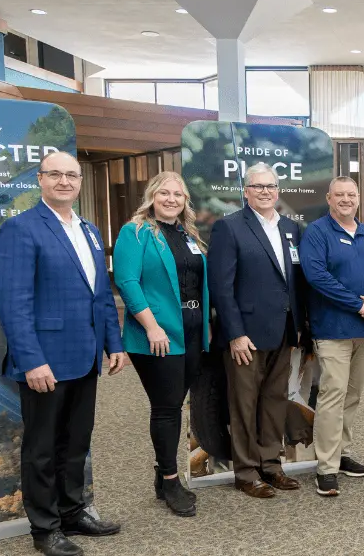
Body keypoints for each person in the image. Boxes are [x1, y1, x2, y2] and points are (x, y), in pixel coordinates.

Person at [0, 151, 128, 556]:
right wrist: (31, 359)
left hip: (85, 356)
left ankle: (73, 511)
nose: (65, 181)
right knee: (41, 449)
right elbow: (13, 303)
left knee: (76, 443)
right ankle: (45, 529)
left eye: (72, 175)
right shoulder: (21, 229)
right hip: (46, 361)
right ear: (40, 179)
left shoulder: (88, 229)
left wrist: (114, 344)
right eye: (56, 175)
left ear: (80, 182)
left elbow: (101, 296)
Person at [207, 163, 308, 499]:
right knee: (244, 405)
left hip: (283, 331)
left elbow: (295, 281)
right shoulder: (229, 227)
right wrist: (235, 333)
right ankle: (247, 472)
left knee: (275, 401)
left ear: (278, 191)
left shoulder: (291, 229)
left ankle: (271, 465)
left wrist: (300, 327)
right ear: (245, 191)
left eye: (271, 186)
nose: (265, 191)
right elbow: (221, 287)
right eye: (258, 186)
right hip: (246, 336)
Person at [113, 172, 209, 517]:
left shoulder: (188, 234)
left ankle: (161, 471)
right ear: (152, 196)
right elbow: (126, 281)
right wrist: (152, 327)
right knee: (167, 407)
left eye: (178, 195)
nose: (171, 199)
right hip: (159, 336)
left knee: (178, 403)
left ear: (185, 201)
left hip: (193, 332)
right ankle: (170, 480)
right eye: (165, 193)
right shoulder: (135, 232)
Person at [300, 176, 364, 497]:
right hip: (333, 330)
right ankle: (325, 466)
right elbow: (317, 277)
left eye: (350, 194)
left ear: (358, 199)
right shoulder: (317, 232)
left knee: (352, 395)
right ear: (328, 198)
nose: (345, 199)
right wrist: (358, 304)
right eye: (339, 194)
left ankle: (339, 454)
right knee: (333, 394)